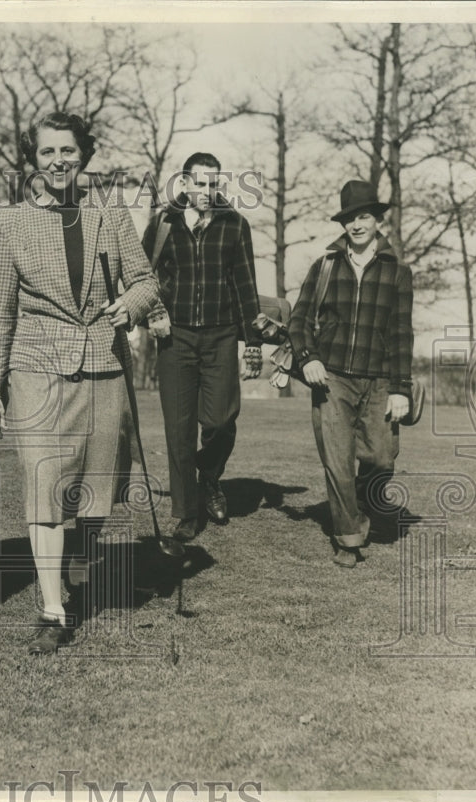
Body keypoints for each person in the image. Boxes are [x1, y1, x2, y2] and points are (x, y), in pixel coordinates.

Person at [0, 111, 160, 655]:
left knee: (94, 492)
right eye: (48, 152)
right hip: (35, 366)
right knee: (45, 482)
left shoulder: (109, 213)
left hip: (104, 363)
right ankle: (52, 610)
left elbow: (146, 280)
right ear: (32, 160)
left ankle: (77, 573)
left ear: (85, 155)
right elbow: (0, 309)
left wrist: (130, 305)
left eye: (68, 151)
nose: (59, 161)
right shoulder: (9, 223)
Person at [288, 180, 413, 568]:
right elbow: (299, 319)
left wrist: (400, 389)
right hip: (332, 378)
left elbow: (401, 332)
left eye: (363, 216)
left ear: (377, 220)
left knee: (381, 458)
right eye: (349, 219)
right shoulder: (324, 266)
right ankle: (349, 536)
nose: (356, 225)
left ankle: (358, 500)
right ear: (343, 224)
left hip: (378, 380)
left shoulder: (397, 271)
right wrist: (308, 357)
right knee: (338, 459)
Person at [142, 152, 263, 553]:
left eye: (214, 184)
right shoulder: (163, 223)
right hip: (175, 338)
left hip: (222, 335)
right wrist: (154, 313)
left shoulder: (234, 224)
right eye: (199, 183)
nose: (206, 191)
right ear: (185, 183)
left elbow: (246, 284)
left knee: (221, 418)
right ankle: (186, 512)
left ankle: (208, 475)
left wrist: (255, 344)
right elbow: (142, 275)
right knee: (179, 427)